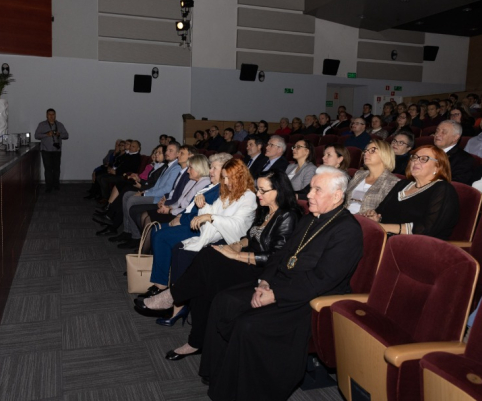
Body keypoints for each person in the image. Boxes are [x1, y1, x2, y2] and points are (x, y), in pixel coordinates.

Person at [197, 166, 363, 400]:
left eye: (317, 190)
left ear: (337, 196)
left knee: (249, 325)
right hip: (278, 283)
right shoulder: (309, 220)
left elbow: (322, 280)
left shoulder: (348, 231)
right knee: (224, 301)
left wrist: (275, 294)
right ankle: (218, 373)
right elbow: (281, 255)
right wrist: (265, 282)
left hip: (308, 300)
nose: (309, 195)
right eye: (311, 188)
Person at [135, 170, 301, 361]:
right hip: (247, 259)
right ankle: (195, 340)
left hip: (262, 271)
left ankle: (173, 296)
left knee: (207, 262)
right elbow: (251, 235)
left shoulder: (288, 216)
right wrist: (236, 245)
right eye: (258, 189)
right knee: (204, 273)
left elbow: (275, 258)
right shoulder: (265, 209)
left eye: (263, 190)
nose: (258, 194)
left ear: (279, 191)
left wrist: (237, 255)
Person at [140, 153, 232, 299]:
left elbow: (204, 215)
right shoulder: (211, 185)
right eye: (210, 167)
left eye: (214, 168)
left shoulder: (222, 189)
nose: (210, 171)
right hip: (192, 221)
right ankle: (161, 277)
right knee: (157, 230)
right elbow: (190, 207)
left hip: (202, 230)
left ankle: (161, 284)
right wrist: (180, 216)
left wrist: (181, 219)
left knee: (161, 236)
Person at [363, 145, 460, 240]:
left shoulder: (443, 189)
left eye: (423, 159)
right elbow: (380, 211)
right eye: (414, 158)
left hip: (416, 246)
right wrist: (376, 217)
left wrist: (384, 227)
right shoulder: (402, 184)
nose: (416, 161)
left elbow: (427, 228)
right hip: (384, 238)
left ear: (438, 167)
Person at [345, 139, 399, 214]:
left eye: (372, 150)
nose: (366, 153)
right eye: (366, 150)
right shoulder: (359, 175)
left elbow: (388, 212)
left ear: (385, 154)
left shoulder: (392, 182)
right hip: (344, 216)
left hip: (365, 222)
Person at [34, 108, 69, 193]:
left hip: (56, 150)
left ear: (55, 115)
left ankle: (56, 185)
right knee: (48, 169)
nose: (51, 116)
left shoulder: (59, 125)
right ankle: (48, 186)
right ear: (46, 115)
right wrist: (46, 134)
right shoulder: (42, 125)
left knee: (56, 168)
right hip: (46, 150)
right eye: (49, 114)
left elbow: (66, 135)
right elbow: (36, 136)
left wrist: (59, 134)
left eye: (53, 114)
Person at [434, 120, 475, 185]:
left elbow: (455, 185)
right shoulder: (426, 151)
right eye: (437, 131)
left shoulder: (464, 160)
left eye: (444, 132)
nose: (437, 134)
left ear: (455, 137)